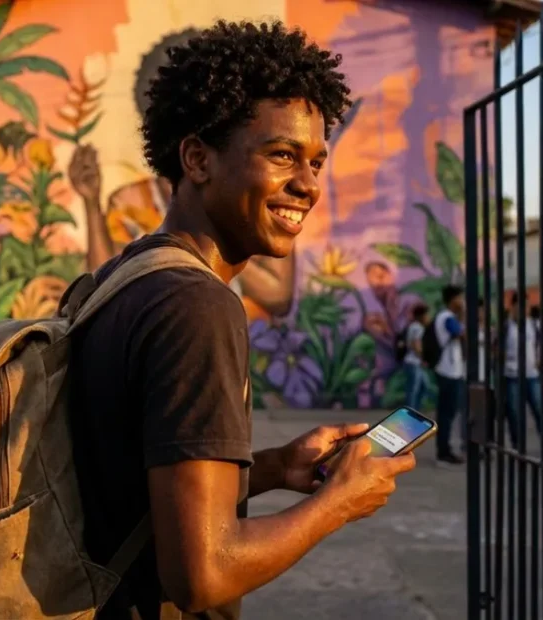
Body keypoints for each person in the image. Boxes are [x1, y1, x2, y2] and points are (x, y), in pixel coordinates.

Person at [69, 21, 416, 618]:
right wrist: (339, 501)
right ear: (198, 158)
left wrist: (278, 466)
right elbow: (203, 575)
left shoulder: (121, 278)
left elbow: (133, 489)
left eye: (315, 161)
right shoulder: (196, 306)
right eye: (282, 155)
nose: (307, 185)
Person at [503, 292, 543, 457]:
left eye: (528, 306)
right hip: (512, 375)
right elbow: (496, 350)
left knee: (539, 411)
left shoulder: (535, 325)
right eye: (522, 306)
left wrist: (540, 361)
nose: (526, 310)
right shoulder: (506, 326)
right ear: (513, 307)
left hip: (531, 375)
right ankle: (518, 446)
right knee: (514, 414)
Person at [432, 284, 467, 466]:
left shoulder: (446, 317)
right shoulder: (446, 317)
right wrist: (463, 314)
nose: (462, 302)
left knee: (448, 412)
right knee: (447, 414)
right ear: (453, 300)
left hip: (451, 370)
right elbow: (461, 333)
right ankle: (444, 451)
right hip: (448, 372)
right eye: (460, 298)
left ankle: (445, 449)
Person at [404, 303, 430, 410]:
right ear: (420, 316)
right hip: (413, 362)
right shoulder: (417, 327)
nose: (428, 318)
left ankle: (415, 410)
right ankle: (411, 413)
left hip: (414, 363)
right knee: (414, 390)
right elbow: (415, 345)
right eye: (426, 315)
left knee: (423, 387)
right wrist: (423, 358)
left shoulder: (414, 326)